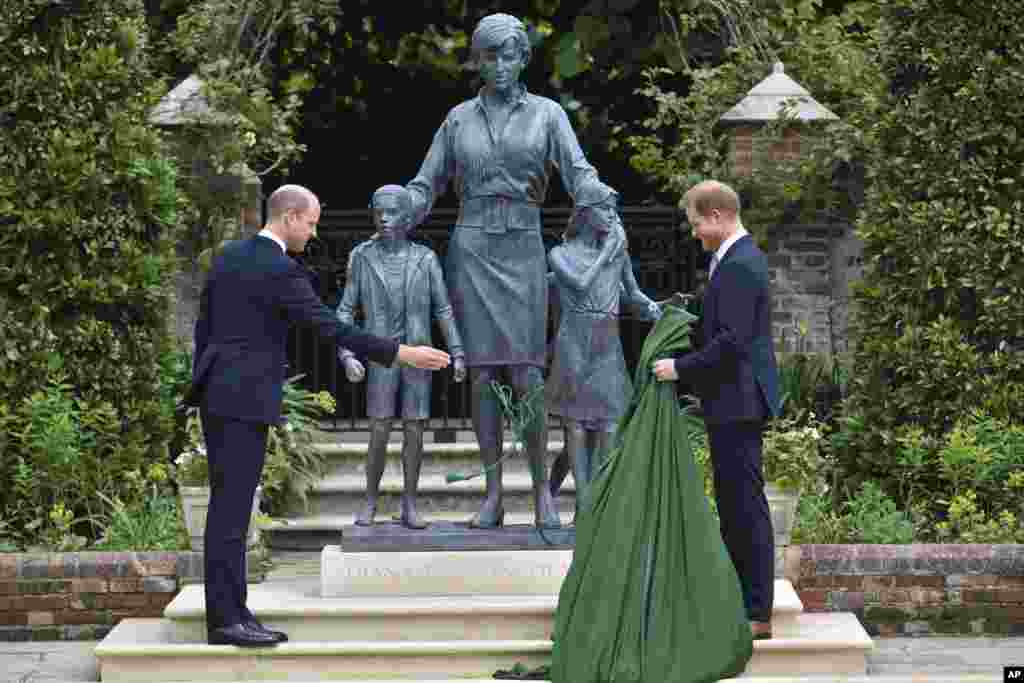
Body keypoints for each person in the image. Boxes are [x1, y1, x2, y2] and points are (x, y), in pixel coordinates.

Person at [185, 184, 450, 647]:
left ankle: (232, 613)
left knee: (228, 509)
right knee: (231, 511)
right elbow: (331, 327)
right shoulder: (280, 269)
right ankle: (227, 622)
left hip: (217, 393)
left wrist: (206, 377)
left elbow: (203, 327)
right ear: (288, 217)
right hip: (243, 399)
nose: (313, 232)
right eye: (310, 222)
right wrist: (403, 352)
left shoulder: (228, 257)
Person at [405, 13, 599, 529]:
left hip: (523, 247)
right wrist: (407, 203)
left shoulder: (548, 115)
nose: (498, 65)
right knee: (484, 375)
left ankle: (540, 492)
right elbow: (428, 183)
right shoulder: (459, 119)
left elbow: (578, 172)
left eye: (507, 54)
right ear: (478, 60)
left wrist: (598, 197)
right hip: (471, 249)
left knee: (527, 374)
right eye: (488, 56)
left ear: (522, 58)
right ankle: (492, 495)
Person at [652, 179, 781, 641]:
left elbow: (731, 341)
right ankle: (742, 603)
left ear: (717, 217)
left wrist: (679, 368)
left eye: (696, 225)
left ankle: (757, 612)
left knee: (745, 507)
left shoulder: (743, 263)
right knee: (734, 505)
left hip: (740, 401)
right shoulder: (727, 261)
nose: (694, 234)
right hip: (730, 400)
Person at [336, 185, 467, 529]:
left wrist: (457, 351)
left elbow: (443, 308)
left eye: (391, 212)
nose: (384, 218)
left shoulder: (424, 259)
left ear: (408, 218)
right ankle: (370, 500)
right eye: (378, 212)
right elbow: (346, 310)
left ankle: (410, 502)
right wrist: (347, 353)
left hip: (418, 356)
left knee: (415, 431)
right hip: (381, 356)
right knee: (378, 430)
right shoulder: (362, 257)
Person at [546, 180, 660, 518]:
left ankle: (599, 506)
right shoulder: (559, 254)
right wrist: (607, 255)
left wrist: (653, 307)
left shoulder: (616, 253)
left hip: (607, 342)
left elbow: (632, 293)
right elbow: (580, 287)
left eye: (614, 210)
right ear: (585, 213)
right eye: (605, 209)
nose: (612, 217)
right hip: (575, 343)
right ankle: (583, 503)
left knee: (610, 424)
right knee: (576, 427)